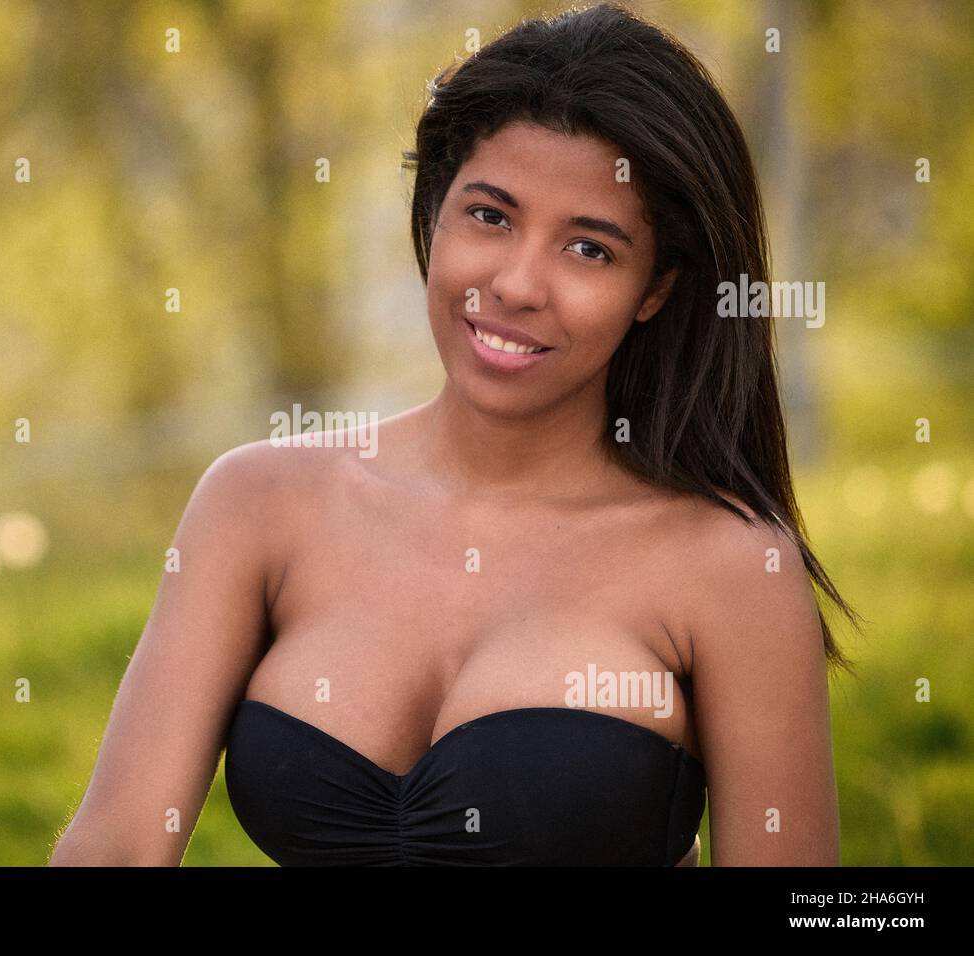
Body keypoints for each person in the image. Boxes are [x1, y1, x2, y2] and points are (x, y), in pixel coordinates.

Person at [49, 1, 862, 867]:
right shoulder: (256, 503)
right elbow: (119, 845)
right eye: (490, 216)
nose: (516, 284)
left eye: (589, 250)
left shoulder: (731, 565)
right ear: (434, 213)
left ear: (655, 290)